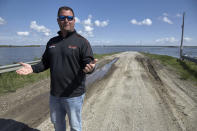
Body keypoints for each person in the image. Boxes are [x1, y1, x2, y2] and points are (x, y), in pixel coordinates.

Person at [16, 6, 97, 131]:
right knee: (57, 125)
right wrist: (33, 68)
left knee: (75, 126)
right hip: (55, 95)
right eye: (62, 17)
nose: (66, 20)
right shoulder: (52, 42)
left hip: (74, 95)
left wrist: (90, 68)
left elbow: (88, 63)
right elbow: (45, 63)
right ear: (58, 20)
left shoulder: (82, 42)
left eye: (69, 17)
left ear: (74, 20)